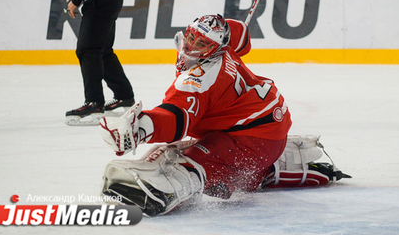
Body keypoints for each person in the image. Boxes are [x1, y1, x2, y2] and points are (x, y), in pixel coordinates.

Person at [98, 14, 349, 216]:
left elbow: (177, 118)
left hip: (251, 139)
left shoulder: (200, 78)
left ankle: (165, 191)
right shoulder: (226, 43)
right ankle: (274, 164)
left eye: (201, 44)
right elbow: (240, 33)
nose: (191, 46)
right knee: (184, 151)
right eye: (191, 37)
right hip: (265, 125)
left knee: (177, 160)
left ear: (214, 50)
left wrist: (140, 128)